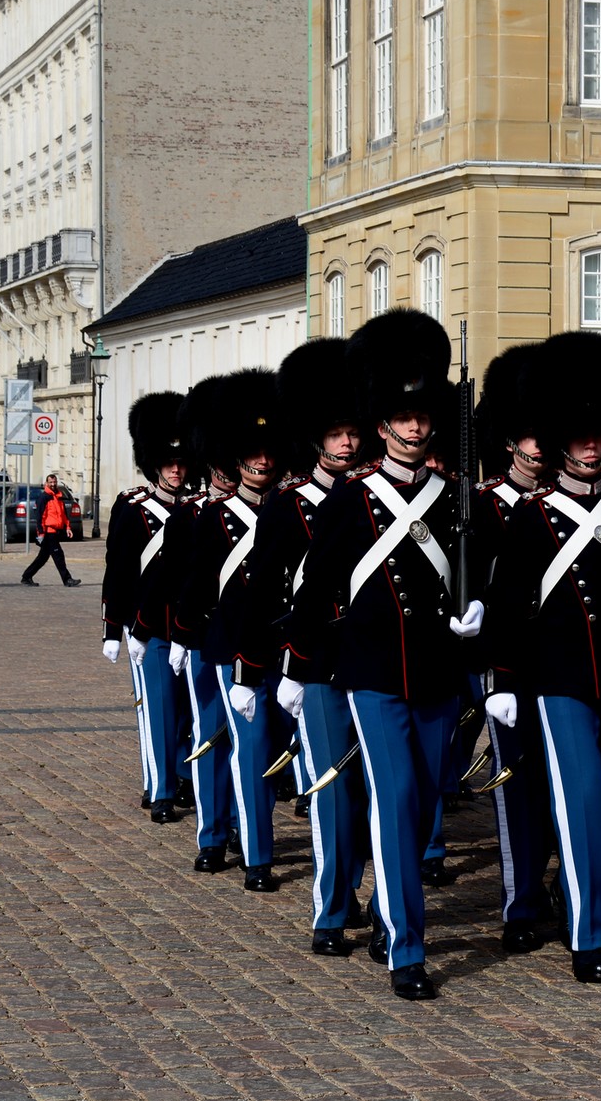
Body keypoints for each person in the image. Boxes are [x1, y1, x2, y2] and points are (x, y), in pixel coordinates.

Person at [287, 309, 470, 1001]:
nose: (418, 426)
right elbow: (315, 588)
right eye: (404, 415)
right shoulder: (354, 498)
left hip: (438, 674)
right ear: (381, 422)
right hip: (371, 673)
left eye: (425, 415)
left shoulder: (454, 498)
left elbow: (470, 576)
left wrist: (474, 617)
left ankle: (388, 908)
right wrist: (300, 668)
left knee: (422, 801)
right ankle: (406, 946)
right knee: (393, 799)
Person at [482, 332, 601, 985]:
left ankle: (570, 887)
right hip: (554, 679)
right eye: (580, 433)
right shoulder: (532, 516)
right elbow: (506, 603)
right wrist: (502, 676)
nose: (591, 443)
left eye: (599, 432)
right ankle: (589, 936)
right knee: (583, 796)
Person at [237, 337, 371, 954]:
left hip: (373, 657)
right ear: (317, 439)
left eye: (353, 431)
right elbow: (263, 592)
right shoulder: (290, 505)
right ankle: (330, 911)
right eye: (336, 433)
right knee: (330, 788)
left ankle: (365, 891)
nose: (347, 442)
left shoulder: (378, 497)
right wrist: (254, 669)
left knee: (373, 790)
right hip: (315, 662)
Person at [177, 370, 290, 894]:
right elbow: (197, 586)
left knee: (266, 747)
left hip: (281, 644)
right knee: (240, 743)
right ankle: (237, 845)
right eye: (253, 453)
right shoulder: (214, 517)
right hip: (228, 647)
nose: (263, 462)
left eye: (269, 453)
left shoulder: (292, 511)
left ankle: (244, 831)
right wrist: (187, 637)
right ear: (236, 458)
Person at [464, 340, 557, 955]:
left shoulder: (577, 503)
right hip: (509, 661)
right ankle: (521, 900)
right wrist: (494, 676)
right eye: (530, 437)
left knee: (573, 785)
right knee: (519, 783)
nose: (540, 449)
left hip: (570, 659)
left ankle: (559, 873)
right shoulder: (485, 504)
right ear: (509, 442)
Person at [167, 375, 244, 873]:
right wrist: (180, 635)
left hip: (258, 641)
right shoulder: (192, 513)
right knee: (212, 735)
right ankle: (213, 831)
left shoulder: (274, 506)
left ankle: (245, 823)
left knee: (256, 742)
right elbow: (181, 584)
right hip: (206, 638)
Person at [103, 391, 190, 824]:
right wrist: (113, 628)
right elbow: (118, 570)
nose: (176, 470)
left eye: (181, 463)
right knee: (158, 710)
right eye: (168, 463)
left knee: (185, 711)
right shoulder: (134, 508)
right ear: (154, 464)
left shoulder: (197, 510)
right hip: (149, 626)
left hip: (189, 627)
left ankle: (180, 774)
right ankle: (160, 789)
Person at [21, 473, 81, 587]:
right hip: (48, 532)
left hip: (55, 531)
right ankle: (67, 580)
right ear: (47, 483)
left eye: (54, 482)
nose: (53, 484)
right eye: (51, 482)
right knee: (59, 556)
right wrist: (41, 533)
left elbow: (63, 514)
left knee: (42, 558)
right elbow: (40, 517)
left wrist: (68, 527)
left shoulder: (58, 497)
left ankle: (26, 576)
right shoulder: (44, 498)